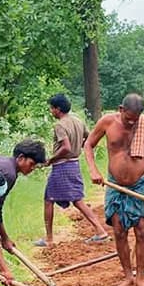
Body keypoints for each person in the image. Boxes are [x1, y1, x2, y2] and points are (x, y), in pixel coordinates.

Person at [84, 92, 144, 286]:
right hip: (115, 185)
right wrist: (93, 170)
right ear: (121, 110)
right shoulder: (107, 122)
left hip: (139, 185)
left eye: (135, 120)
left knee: (142, 230)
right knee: (119, 230)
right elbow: (88, 145)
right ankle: (128, 277)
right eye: (128, 118)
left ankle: (141, 279)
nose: (131, 123)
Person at [42, 94, 108, 246]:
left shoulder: (60, 125)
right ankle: (100, 230)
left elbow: (65, 147)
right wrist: (80, 147)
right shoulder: (78, 121)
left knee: (50, 200)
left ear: (58, 109)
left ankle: (50, 239)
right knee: (76, 199)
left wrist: (51, 160)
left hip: (61, 166)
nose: (51, 111)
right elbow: (90, 138)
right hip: (74, 164)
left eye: (52, 108)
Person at [0, 139, 47, 254]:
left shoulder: (1, 161)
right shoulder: (9, 174)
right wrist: (5, 238)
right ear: (21, 158)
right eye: (31, 164)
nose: (32, 168)